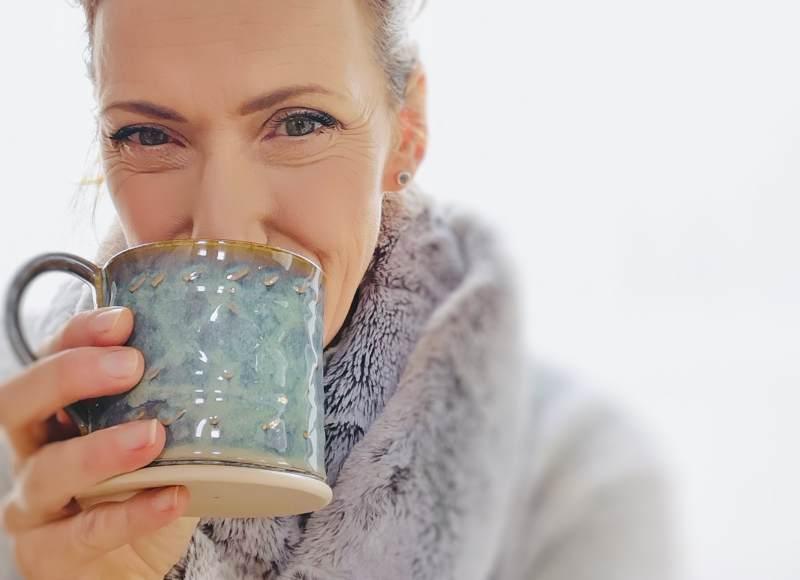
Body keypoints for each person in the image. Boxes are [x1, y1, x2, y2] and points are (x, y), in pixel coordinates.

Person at [0, 1, 679, 578]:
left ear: (406, 134)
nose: (224, 224)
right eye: (149, 135)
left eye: (299, 123)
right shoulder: (35, 476)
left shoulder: (575, 482)